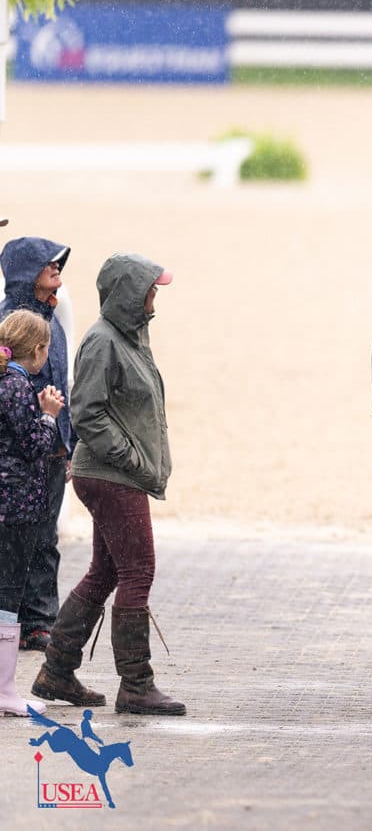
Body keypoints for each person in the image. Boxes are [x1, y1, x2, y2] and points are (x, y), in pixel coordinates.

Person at [31, 253, 183, 715]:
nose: (155, 297)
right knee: (139, 571)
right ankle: (136, 684)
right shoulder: (103, 342)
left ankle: (56, 671)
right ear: (129, 295)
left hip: (115, 474)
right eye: (150, 290)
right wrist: (133, 459)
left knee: (107, 570)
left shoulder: (131, 337)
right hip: (111, 476)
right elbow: (87, 412)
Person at [0, 236, 74, 653]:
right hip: (22, 454)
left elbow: (62, 388)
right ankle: (24, 623)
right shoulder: (9, 324)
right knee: (20, 543)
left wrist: (68, 442)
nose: (57, 269)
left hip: (52, 447)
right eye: (49, 264)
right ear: (28, 272)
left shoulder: (55, 322)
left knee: (46, 540)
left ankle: (40, 622)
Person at [0, 309, 64, 716]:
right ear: (38, 351)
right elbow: (33, 445)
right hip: (16, 508)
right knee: (8, 598)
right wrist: (49, 415)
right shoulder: (17, 386)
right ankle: (5, 691)